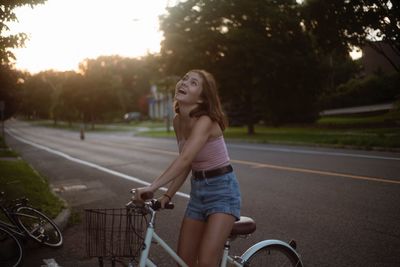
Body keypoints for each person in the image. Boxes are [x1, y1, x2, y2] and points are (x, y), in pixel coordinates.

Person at [133, 69, 241, 267]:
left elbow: (185, 159)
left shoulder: (206, 120)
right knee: (183, 262)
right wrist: (167, 196)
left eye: (193, 83)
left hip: (223, 192)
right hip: (198, 194)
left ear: (201, 99)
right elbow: (187, 163)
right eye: (184, 79)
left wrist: (152, 187)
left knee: (207, 262)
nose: (184, 83)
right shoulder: (177, 121)